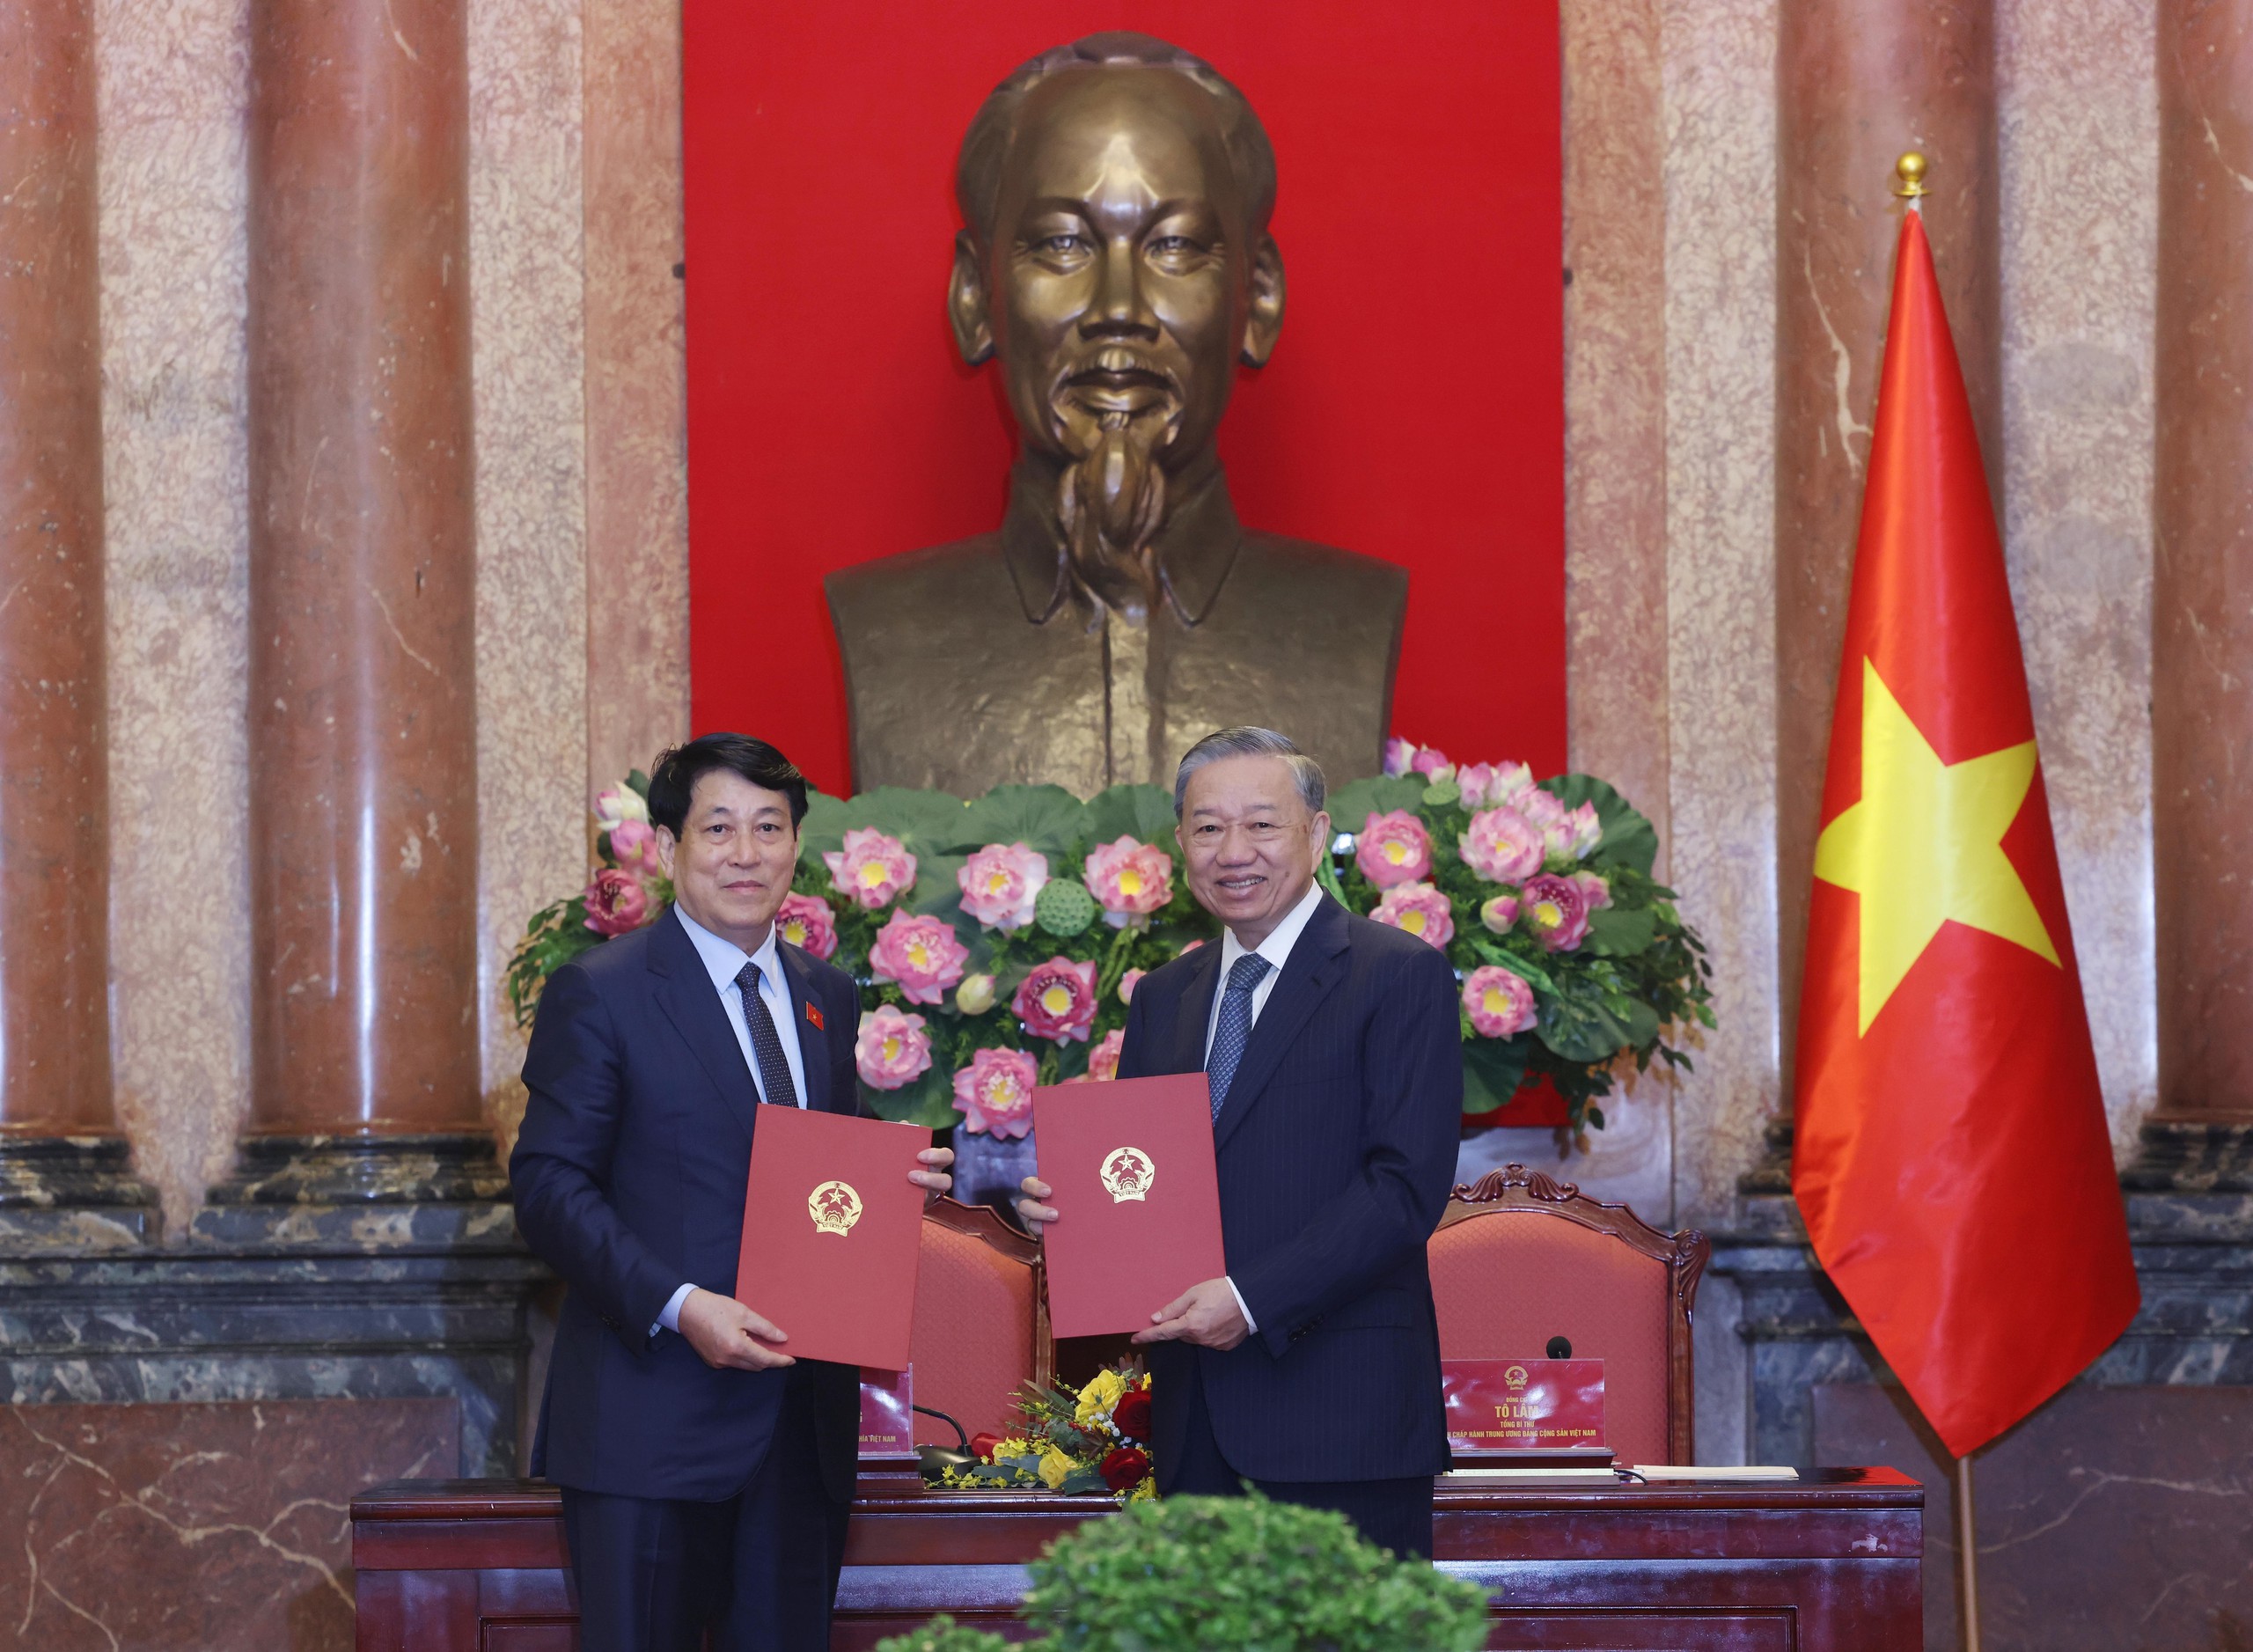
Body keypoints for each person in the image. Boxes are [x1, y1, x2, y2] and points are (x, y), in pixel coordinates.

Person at [826, 33, 1406, 797]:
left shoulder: (1351, 620)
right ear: (975, 296)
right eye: (1064, 244)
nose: (1120, 310)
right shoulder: (887, 628)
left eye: (1175, 246)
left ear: (1258, 298)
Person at [511, 732, 952, 1651]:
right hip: (650, 1420)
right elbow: (549, 1185)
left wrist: (895, 1180)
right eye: (718, 828)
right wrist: (680, 1304)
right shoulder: (601, 991)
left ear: (797, 847)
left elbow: (814, 1179)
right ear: (669, 845)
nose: (745, 852)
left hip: (800, 1428)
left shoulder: (825, 993)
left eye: (768, 826)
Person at [1018, 725, 1463, 1558]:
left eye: (1261, 824)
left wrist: (1252, 1300)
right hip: (1197, 1424)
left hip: (1343, 1417)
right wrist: (1073, 1208)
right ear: (1180, 841)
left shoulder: (1397, 974)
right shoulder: (1165, 995)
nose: (1234, 851)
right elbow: (1142, 1179)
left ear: (1318, 833)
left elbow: (1403, 1189)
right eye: (1208, 827)